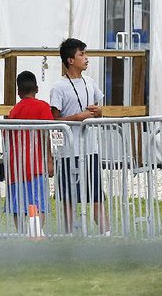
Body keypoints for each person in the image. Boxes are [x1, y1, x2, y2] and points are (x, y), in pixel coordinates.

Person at [50, 38, 109, 234]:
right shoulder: (58, 87)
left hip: (90, 149)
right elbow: (55, 120)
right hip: (68, 151)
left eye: (85, 54)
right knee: (68, 197)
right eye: (81, 54)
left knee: (97, 195)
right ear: (70, 60)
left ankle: (106, 233)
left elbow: (101, 109)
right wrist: (78, 117)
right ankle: (69, 235)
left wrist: (98, 112)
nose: (86, 58)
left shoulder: (90, 82)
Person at [6, 71, 54, 234]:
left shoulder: (15, 110)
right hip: (36, 164)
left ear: (18, 92)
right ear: (37, 89)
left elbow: (7, 135)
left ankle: (21, 234)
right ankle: (35, 233)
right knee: (37, 202)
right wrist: (49, 158)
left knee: (18, 204)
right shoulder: (43, 107)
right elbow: (46, 133)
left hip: (16, 165)